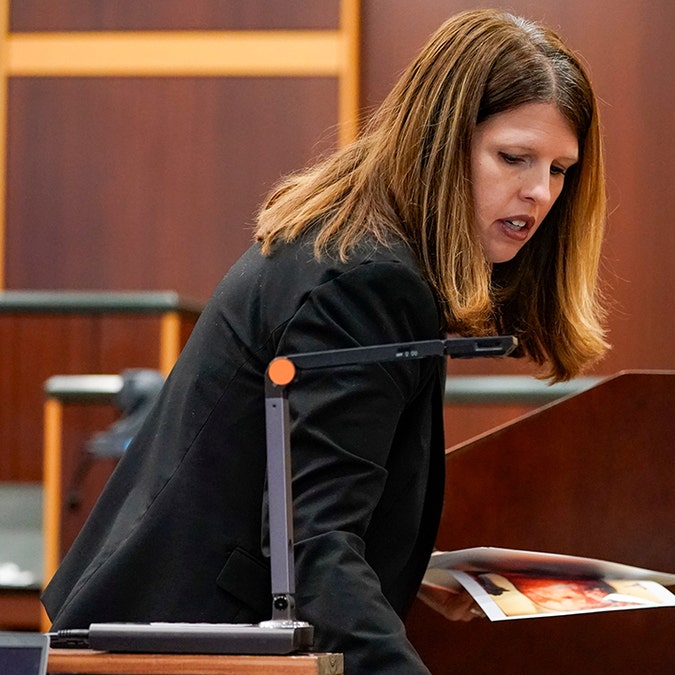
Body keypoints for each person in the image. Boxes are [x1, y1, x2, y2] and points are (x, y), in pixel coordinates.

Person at [41, 9, 608, 674]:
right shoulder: (368, 281)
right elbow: (317, 550)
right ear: (438, 142)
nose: (539, 192)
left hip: (157, 620)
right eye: (514, 157)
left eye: (560, 169)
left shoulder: (357, 242)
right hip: (186, 643)